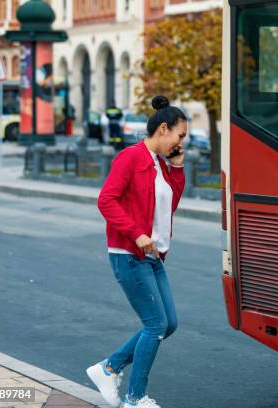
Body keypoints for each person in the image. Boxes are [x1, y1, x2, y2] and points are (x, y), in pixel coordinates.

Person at [87, 95, 187, 408]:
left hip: (152, 257)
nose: (182, 141)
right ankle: (135, 398)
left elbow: (168, 206)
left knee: (168, 323)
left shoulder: (160, 164)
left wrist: (178, 168)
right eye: (180, 135)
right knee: (155, 325)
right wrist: (137, 234)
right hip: (128, 254)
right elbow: (106, 200)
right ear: (164, 129)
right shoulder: (131, 158)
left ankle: (109, 367)